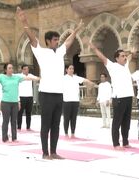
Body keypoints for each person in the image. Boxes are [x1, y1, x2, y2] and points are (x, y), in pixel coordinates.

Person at [17, 7, 83, 159]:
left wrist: (77, 30)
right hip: (46, 94)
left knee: (56, 125)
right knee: (45, 124)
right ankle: (45, 153)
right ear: (48, 41)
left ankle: (54, 152)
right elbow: (32, 38)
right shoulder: (41, 51)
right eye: (54, 40)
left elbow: (68, 41)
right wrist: (24, 22)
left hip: (59, 94)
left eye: (57, 40)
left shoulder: (60, 52)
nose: (57, 42)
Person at [90, 43, 135, 150]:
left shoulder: (126, 65)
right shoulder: (112, 66)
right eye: (122, 56)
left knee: (126, 122)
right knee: (117, 122)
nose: (125, 57)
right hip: (118, 98)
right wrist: (95, 48)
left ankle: (125, 142)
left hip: (128, 97)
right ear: (117, 58)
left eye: (125, 56)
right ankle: (116, 144)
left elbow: (129, 57)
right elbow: (103, 58)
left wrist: (132, 53)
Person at [0, 63, 39, 142]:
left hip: (15, 102)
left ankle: (14, 138)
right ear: (5, 70)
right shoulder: (2, 77)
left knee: (14, 121)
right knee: (5, 120)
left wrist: (37, 78)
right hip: (5, 102)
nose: (11, 69)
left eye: (12, 68)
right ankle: (5, 138)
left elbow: (27, 78)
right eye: (9, 68)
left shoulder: (16, 77)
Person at [63, 64, 94, 138]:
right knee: (66, 118)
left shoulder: (76, 78)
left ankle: (73, 133)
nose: (71, 70)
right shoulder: (63, 78)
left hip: (75, 100)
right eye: (70, 68)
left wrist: (91, 82)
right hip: (66, 100)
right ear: (66, 70)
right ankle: (66, 133)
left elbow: (84, 80)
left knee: (74, 118)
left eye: (72, 68)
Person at [17, 64, 40, 131]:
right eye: (25, 69)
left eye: (27, 69)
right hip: (21, 97)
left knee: (29, 113)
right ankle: (18, 127)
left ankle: (28, 127)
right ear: (22, 70)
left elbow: (37, 78)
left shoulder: (30, 75)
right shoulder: (19, 76)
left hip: (30, 96)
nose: (27, 70)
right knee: (20, 113)